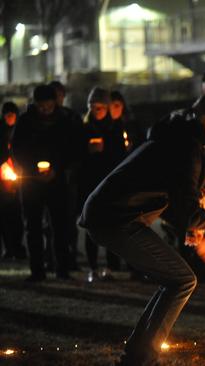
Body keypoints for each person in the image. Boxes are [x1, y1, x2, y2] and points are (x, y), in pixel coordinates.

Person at [79, 91, 205, 366]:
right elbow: (184, 211)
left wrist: (197, 234)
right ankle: (140, 359)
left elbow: (175, 202)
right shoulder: (188, 144)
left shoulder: (189, 139)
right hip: (114, 216)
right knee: (181, 280)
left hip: (119, 215)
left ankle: (137, 357)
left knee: (177, 280)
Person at [11, 85, 77, 281]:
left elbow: (70, 148)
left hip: (56, 181)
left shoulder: (64, 121)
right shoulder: (25, 122)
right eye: (41, 106)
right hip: (31, 183)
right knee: (33, 226)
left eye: (48, 105)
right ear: (36, 104)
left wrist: (56, 169)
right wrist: (32, 170)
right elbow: (17, 149)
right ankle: (37, 269)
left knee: (60, 226)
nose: (45, 110)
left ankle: (62, 268)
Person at [80, 87, 128, 282]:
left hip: (109, 183)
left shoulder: (115, 127)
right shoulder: (83, 128)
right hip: (90, 183)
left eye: (100, 106)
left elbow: (120, 157)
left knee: (110, 225)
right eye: (93, 106)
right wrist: (87, 151)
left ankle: (109, 266)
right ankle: (92, 267)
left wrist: (106, 149)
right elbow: (74, 154)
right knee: (91, 225)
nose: (97, 109)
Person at [48, 80, 85, 271]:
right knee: (50, 220)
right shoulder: (45, 119)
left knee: (69, 218)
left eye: (59, 96)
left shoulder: (71, 118)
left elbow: (79, 144)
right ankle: (51, 258)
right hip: (51, 176)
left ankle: (69, 257)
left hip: (69, 174)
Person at [0, 102, 26, 260]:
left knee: (17, 216)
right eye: (7, 115)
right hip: (3, 180)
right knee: (4, 216)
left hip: (18, 179)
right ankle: (8, 248)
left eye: (12, 115)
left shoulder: (20, 131)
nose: (10, 118)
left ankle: (17, 246)